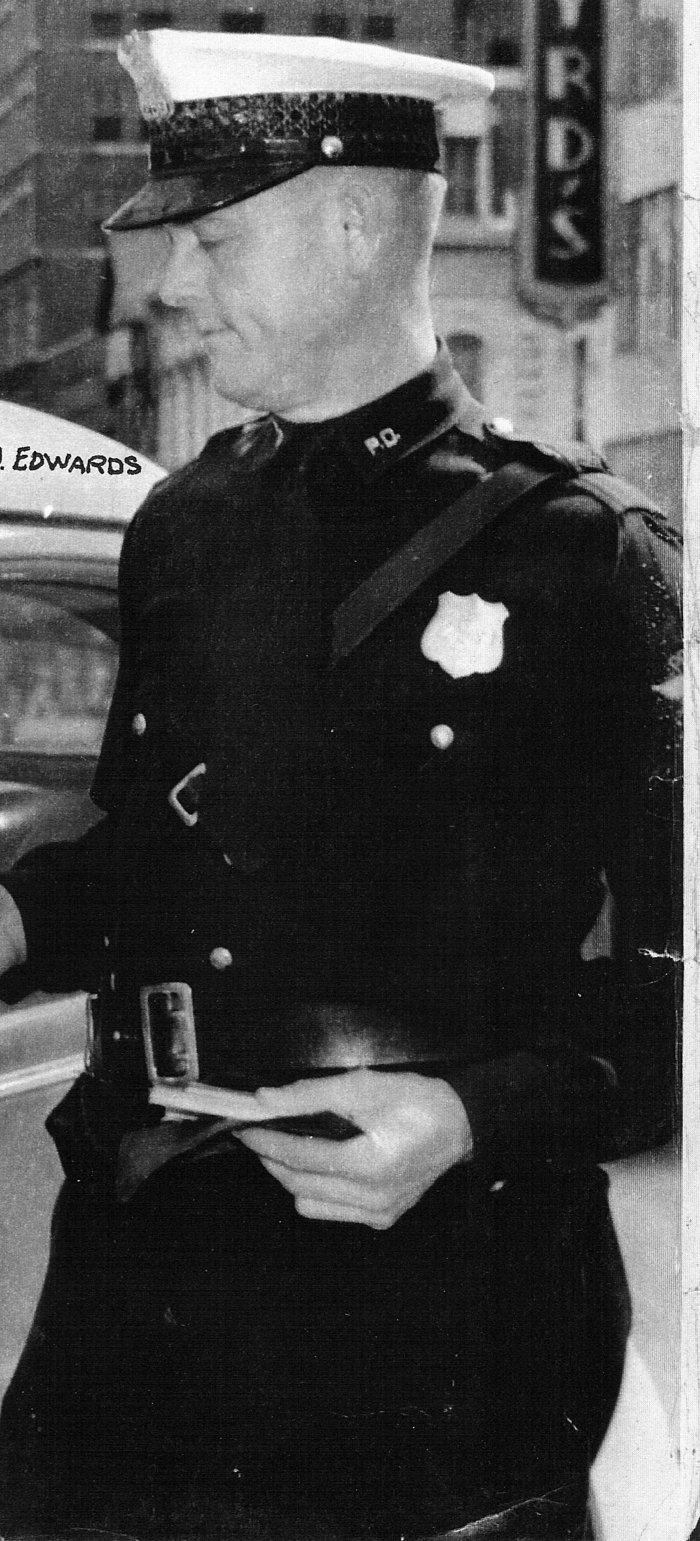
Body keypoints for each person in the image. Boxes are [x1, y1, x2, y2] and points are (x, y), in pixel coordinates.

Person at [0, 28, 681, 1541]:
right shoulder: (183, 524)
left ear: (357, 225)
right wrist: (17, 913)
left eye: (214, 240)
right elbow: (156, 858)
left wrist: (471, 1114)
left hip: (431, 1321)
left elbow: (676, 996)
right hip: (142, 1277)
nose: (171, 287)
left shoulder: (587, 556)